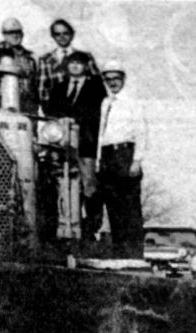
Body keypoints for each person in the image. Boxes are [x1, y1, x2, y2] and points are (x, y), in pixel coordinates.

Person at [44, 51, 107, 243]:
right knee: (61, 182)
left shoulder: (96, 87)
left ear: (86, 66)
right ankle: (63, 225)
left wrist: (77, 119)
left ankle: (90, 227)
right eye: (72, 64)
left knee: (88, 185)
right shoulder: (59, 87)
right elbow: (50, 110)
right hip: (62, 144)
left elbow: (96, 112)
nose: (75, 67)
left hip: (85, 143)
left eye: (79, 64)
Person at [95, 60, 148, 258]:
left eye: (116, 78)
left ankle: (134, 254)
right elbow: (101, 133)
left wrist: (136, 161)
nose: (112, 83)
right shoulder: (105, 103)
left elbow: (141, 132)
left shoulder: (133, 102)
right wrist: (100, 160)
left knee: (130, 208)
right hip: (108, 157)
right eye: (108, 79)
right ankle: (120, 253)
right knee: (113, 207)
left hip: (125, 154)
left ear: (123, 79)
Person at [0, 17, 39, 115]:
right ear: (4, 35)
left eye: (18, 32)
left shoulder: (29, 57)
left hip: (25, 105)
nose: (15, 35)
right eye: (10, 33)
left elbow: (34, 84)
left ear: (22, 34)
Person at [38, 19, 100, 109]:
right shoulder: (46, 60)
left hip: (83, 110)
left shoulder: (85, 57)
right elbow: (42, 92)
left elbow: (97, 84)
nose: (62, 37)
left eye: (65, 33)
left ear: (72, 34)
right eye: (57, 34)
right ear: (53, 36)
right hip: (57, 112)